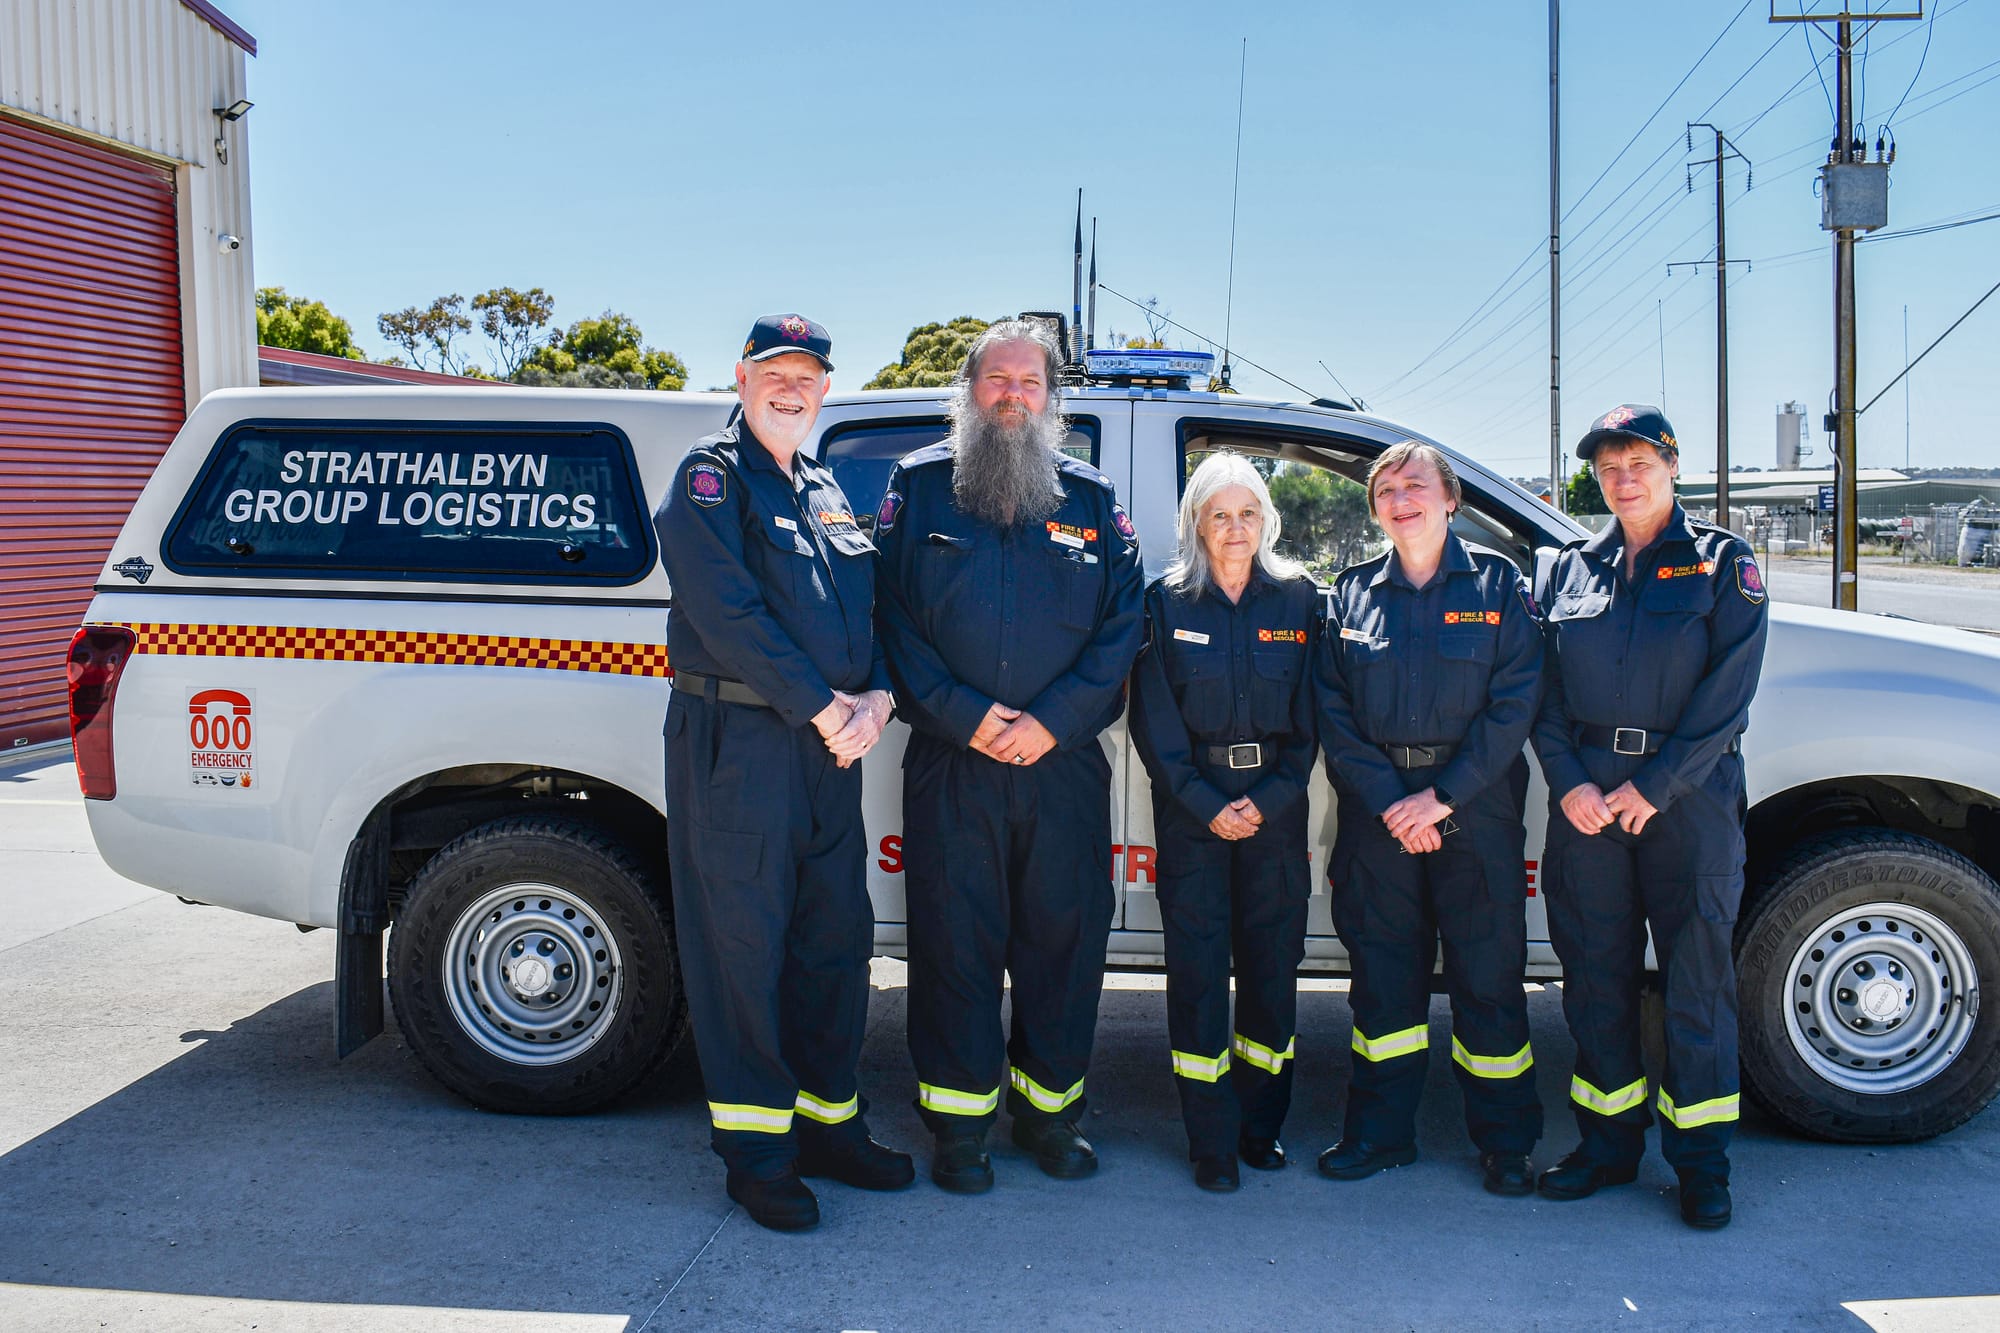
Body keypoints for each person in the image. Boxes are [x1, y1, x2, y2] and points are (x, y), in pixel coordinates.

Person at [654, 314, 912, 1232]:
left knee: (833, 940)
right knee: (743, 949)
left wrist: (877, 696)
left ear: (826, 388)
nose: (791, 387)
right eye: (775, 372)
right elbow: (726, 610)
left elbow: (867, 608)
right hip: (742, 746)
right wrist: (824, 704)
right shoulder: (710, 478)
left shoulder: (826, 488)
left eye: (807, 374)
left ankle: (830, 1127)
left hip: (828, 748)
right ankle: (758, 1154)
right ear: (741, 377)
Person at [873, 319, 1145, 1193]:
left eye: (1031, 382)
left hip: (1061, 765)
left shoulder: (1092, 501)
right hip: (953, 764)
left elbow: (1121, 630)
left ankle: (1049, 1118)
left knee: (1063, 947)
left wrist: (1051, 722)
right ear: (970, 389)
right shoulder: (918, 490)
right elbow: (889, 622)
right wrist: (966, 716)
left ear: (1052, 398)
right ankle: (958, 1130)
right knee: (954, 945)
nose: (1014, 395)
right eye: (998, 379)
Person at [1532, 404, 1768, 1230]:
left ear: (1672, 464)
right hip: (1587, 802)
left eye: (1637, 460)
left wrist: (1656, 785)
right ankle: (1606, 1146)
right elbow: (1542, 693)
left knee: (1696, 985)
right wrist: (1567, 780)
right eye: (1607, 465)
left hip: (1688, 803)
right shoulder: (1567, 569)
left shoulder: (1720, 564)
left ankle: (1702, 1164)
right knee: (1595, 977)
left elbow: (1728, 694)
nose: (1622, 475)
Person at [1314, 441, 1544, 1195]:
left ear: (1451, 499)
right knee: (1382, 980)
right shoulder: (1349, 593)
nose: (1401, 498)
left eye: (1416, 484)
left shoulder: (1500, 584)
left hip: (1472, 807)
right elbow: (1333, 710)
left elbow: (1515, 703)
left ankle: (1506, 1143)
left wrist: (1439, 798)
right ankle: (1380, 1134)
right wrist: (1392, 799)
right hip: (1379, 815)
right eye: (1386, 488)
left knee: (1487, 977)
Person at [1128, 453, 1320, 1192]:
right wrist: (1210, 806)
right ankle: (1209, 1138)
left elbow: (1313, 719)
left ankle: (1259, 1127)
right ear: (1195, 525)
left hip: (1275, 813)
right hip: (1192, 814)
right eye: (1219, 514)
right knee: (1200, 978)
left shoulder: (1300, 599)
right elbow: (1155, 725)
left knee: (1273, 973)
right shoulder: (1165, 603)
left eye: (1247, 513)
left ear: (1265, 520)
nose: (1235, 528)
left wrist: (1265, 802)